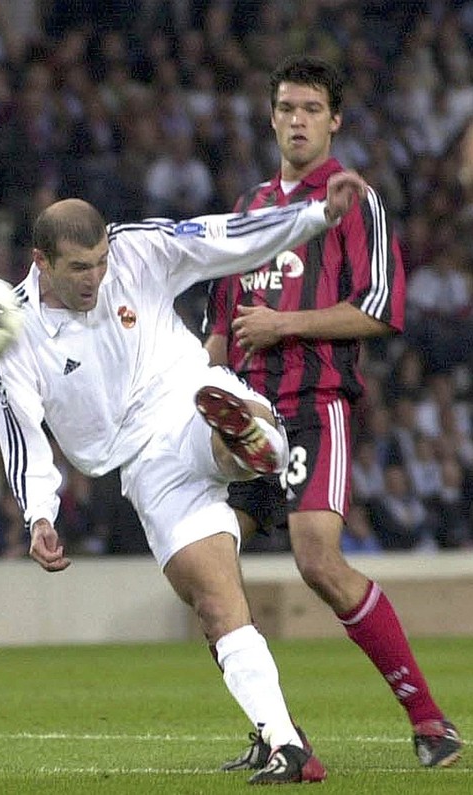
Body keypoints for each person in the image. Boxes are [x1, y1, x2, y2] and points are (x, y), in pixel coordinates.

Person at [0, 174, 366, 786]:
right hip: (141, 465)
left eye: (101, 262)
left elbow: (224, 237)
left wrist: (315, 214)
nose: (96, 278)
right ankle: (286, 744)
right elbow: (22, 432)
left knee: (218, 429)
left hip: (187, 397)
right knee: (214, 603)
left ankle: (253, 440)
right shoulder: (14, 332)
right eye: (80, 268)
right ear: (41, 262)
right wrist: (39, 514)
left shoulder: (136, 249)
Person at [204, 55, 462, 772]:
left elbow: (379, 311)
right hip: (245, 421)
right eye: (286, 107)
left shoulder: (355, 202)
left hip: (314, 407)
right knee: (205, 567)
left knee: (317, 558)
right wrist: (205, 398)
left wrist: (284, 327)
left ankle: (428, 717)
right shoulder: (247, 209)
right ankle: (279, 735)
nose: (296, 119)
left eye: (311, 108)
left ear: (334, 120)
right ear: (271, 115)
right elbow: (220, 324)